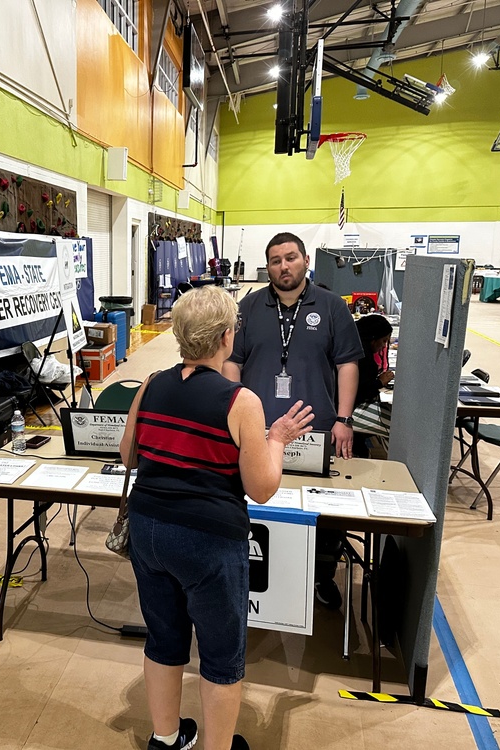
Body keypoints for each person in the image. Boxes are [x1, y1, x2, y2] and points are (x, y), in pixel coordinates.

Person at [120, 285, 314, 750]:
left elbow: (129, 455)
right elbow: (262, 488)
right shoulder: (240, 401)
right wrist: (278, 439)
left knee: (163, 639)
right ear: (227, 338)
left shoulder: (150, 385)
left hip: (147, 530)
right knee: (222, 655)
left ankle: (165, 739)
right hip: (207, 540)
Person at [223, 231, 363, 610]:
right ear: (266, 267)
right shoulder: (248, 308)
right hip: (258, 429)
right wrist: (235, 410)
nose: (283, 266)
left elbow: (347, 363)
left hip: (316, 429)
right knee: (259, 498)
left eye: (290, 258)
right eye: (275, 260)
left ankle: (321, 574)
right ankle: (260, 577)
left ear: (304, 260)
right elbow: (232, 361)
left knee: (320, 509)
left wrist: (344, 418)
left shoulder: (332, 307)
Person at [351, 314, 394, 458]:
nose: (383, 346)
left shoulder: (350, 346)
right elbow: (362, 391)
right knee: (394, 426)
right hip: (350, 410)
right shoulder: (364, 358)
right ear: (373, 338)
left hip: (340, 407)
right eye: (383, 341)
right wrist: (379, 382)